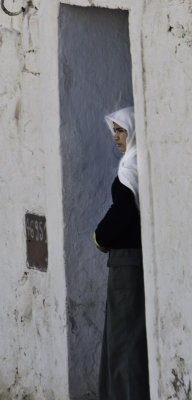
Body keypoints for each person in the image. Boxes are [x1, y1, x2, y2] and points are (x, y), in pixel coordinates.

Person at [94, 106, 150, 400]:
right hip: (136, 263)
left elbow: (123, 212)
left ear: (134, 130)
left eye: (121, 130)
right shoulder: (141, 163)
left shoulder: (130, 169)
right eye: (114, 130)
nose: (116, 137)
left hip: (127, 265)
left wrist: (99, 236)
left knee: (125, 339)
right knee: (128, 337)